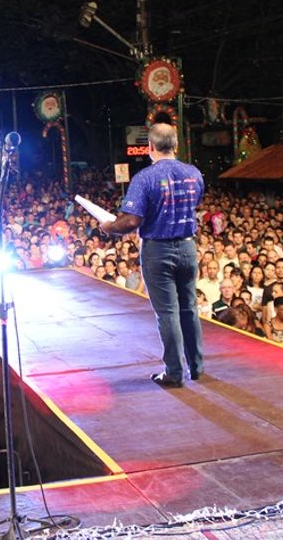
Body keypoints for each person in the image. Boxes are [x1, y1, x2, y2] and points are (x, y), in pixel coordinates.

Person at [99, 123, 204, 388]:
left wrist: (109, 226)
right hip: (188, 247)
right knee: (189, 309)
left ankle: (173, 372)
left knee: (168, 313)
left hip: (158, 250)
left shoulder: (144, 178)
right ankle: (197, 366)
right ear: (176, 146)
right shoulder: (194, 174)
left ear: (150, 148)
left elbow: (132, 220)